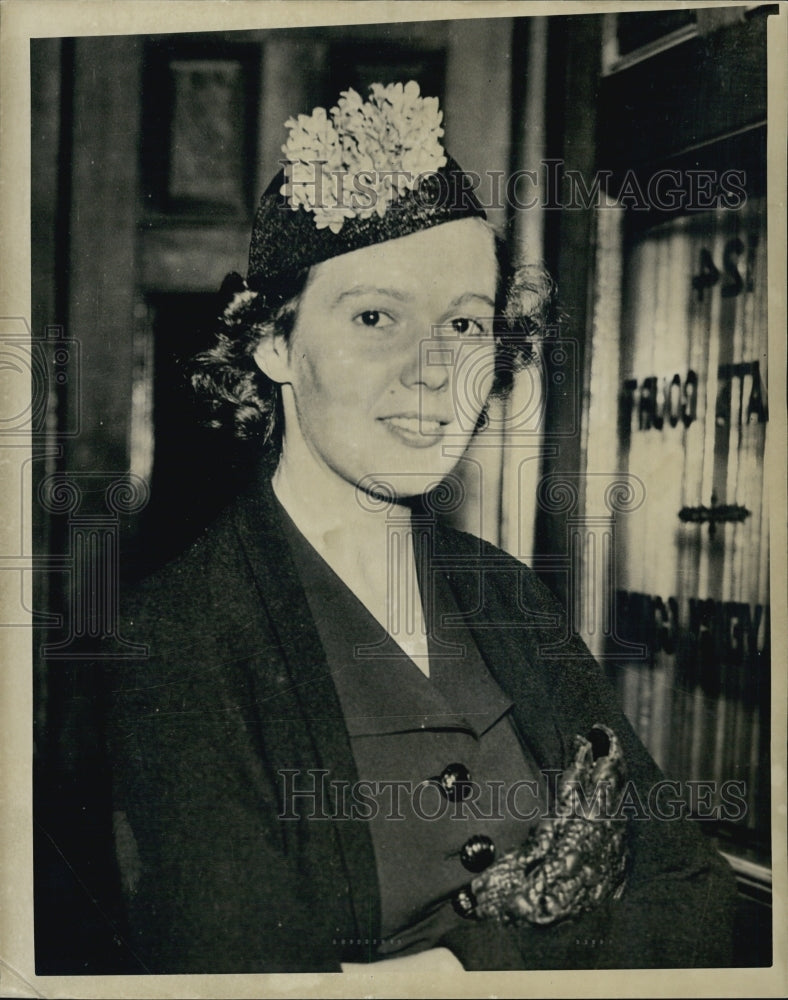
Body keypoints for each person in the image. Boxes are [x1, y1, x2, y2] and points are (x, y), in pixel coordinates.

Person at [106, 81, 737, 974]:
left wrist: (456, 970)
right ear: (274, 344)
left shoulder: (506, 594)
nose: (436, 374)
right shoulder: (176, 641)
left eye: (465, 324)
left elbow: (700, 902)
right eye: (375, 318)